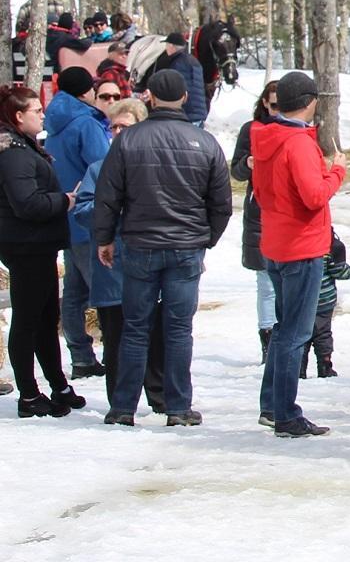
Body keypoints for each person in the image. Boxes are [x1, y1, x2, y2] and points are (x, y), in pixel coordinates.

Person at [93, 68, 232, 426]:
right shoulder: (205, 143)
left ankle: (123, 407)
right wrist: (207, 238)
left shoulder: (128, 140)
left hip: (141, 244)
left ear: (149, 98)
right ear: (185, 98)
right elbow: (221, 203)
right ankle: (178, 406)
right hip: (186, 246)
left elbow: (108, 196)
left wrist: (105, 238)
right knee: (178, 328)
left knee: (135, 327)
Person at [250, 70, 346, 438]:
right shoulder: (298, 143)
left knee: (283, 329)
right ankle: (285, 413)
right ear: (310, 103)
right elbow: (313, 196)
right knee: (295, 332)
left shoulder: (264, 136)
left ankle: (272, 406)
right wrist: (336, 172)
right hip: (301, 246)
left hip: (275, 243)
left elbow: (261, 193)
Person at [0, 85, 84, 417]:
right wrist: (64, 200)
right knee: (28, 319)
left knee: (46, 318)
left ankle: (57, 385)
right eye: (36, 110)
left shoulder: (23, 147)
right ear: (19, 116)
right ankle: (29, 394)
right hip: (26, 246)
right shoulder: (15, 154)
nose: (42, 114)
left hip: (38, 245)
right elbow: (27, 203)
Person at [71, 99, 146, 403]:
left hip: (147, 261)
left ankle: (160, 397)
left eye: (124, 126)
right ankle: (119, 400)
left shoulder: (150, 164)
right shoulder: (98, 168)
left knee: (153, 337)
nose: (117, 132)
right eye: (113, 126)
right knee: (114, 337)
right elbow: (83, 210)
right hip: (111, 264)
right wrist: (110, 213)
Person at [45, 66, 109, 378]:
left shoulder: (54, 121)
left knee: (74, 291)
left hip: (65, 216)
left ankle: (80, 354)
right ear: (87, 91)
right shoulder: (85, 123)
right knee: (103, 290)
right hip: (88, 215)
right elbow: (104, 167)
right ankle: (113, 352)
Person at [231, 81, 282, 364]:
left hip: (287, 209)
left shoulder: (295, 129)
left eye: (281, 106)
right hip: (259, 209)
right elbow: (235, 171)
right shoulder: (251, 130)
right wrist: (248, 163)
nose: (276, 112)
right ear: (264, 103)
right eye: (272, 105)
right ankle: (268, 340)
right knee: (265, 280)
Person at [306, 232, 350, 378]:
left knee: (302, 334)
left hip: (302, 298)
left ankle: (299, 368)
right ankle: (325, 365)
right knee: (323, 333)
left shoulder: (300, 245)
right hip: (324, 300)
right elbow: (339, 270)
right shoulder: (327, 246)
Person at [151, 33, 209, 127]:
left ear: (171, 46)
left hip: (187, 115)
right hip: (199, 113)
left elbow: (175, 91)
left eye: (166, 45)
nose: (166, 49)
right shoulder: (193, 60)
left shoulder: (178, 64)